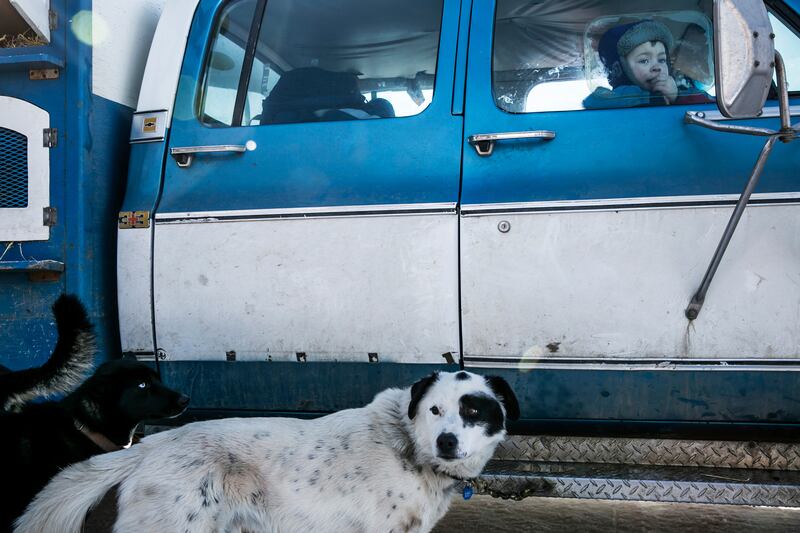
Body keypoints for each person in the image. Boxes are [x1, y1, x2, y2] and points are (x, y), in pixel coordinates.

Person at [583, 19, 710, 109]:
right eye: (644, 61)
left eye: (661, 60)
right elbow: (594, 101)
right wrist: (651, 98)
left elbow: (711, 105)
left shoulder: (684, 92)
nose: (657, 67)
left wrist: (677, 96)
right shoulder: (618, 96)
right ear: (620, 68)